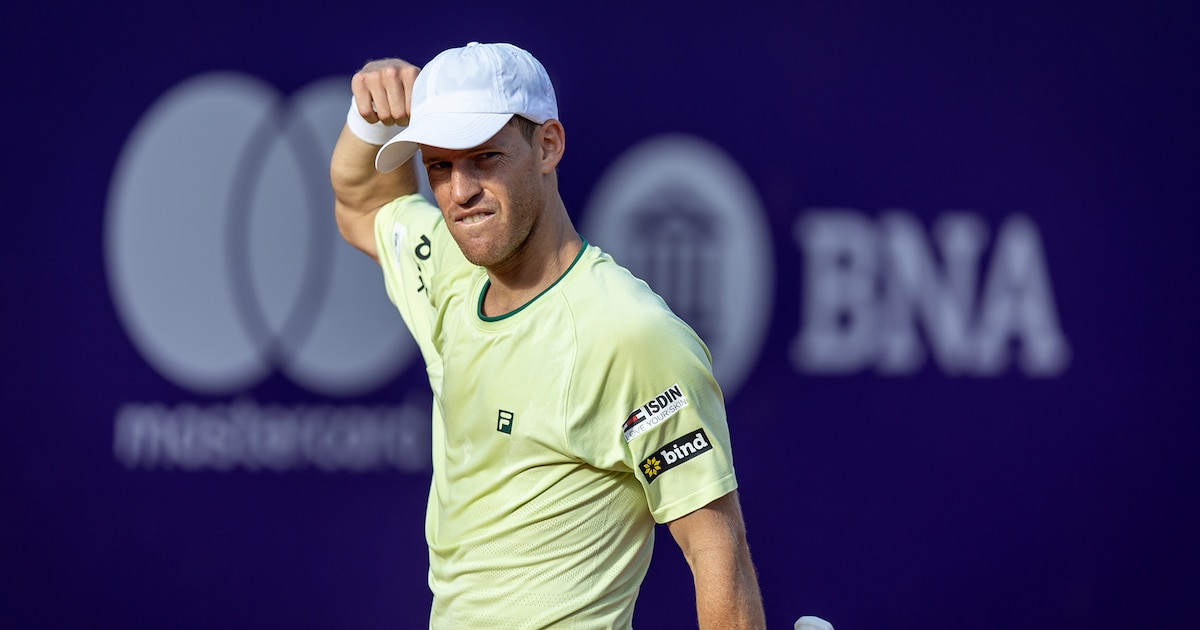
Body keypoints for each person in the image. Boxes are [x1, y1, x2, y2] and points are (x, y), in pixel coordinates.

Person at [329, 41, 765, 629]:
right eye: (439, 165)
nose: (460, 193)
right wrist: (367, 113)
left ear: (548, 146)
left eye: (485, 157)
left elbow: (716, 551)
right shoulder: (449, 274)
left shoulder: (631, 335)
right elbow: (359, 202)